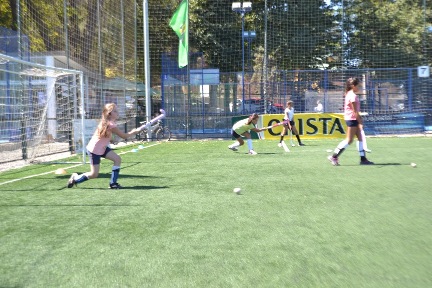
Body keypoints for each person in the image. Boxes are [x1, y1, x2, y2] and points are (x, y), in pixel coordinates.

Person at [67, 103, 143, 189]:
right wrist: (134, 132)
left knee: (117, 159)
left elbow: (105, 136)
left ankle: (113, 183)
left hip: (102, 148)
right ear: (109, 113)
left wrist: (112, 140)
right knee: (94, 174)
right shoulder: (110, 124)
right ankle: (75, 178)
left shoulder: (109, 123)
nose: (117, 112)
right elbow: (124, 136)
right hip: (94, 150)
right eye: (115, 111)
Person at [328, 77, 373, 166]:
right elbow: (355, 111)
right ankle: (334, 156)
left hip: (352, 118)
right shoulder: (352, 96)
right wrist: (360, 122)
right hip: (352, 119)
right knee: (349, 140)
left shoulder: (349, 94)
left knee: (360, 139)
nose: (359, 88)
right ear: (353, 86)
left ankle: (363, 159)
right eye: (358, 86)